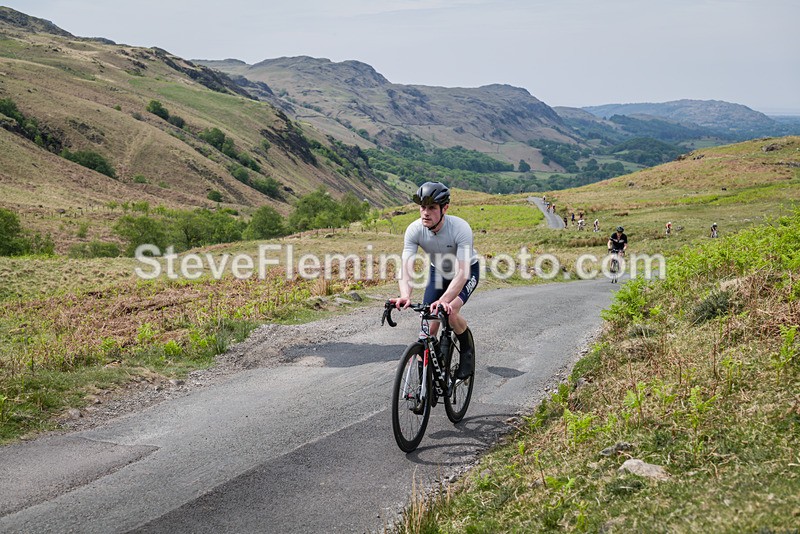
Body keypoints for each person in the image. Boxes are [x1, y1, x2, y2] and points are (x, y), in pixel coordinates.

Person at [391, 181, 480, 380]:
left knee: (450, 312)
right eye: (422, 207)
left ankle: (467, 349)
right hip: (438, 272)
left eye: (431, 208)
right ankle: (427, 379)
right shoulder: (414, 229)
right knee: (429, 323)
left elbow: (463, 273)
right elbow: (406, 267)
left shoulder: (460, 228)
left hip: (465, 272)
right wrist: (405, 294)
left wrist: (444, 300)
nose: (425, 213)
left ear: (444, 208)